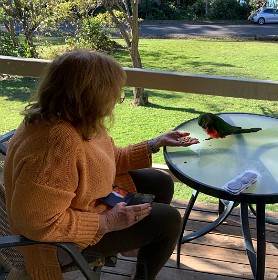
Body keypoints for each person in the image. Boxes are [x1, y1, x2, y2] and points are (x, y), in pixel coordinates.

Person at [3, 50, 199, 280]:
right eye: (113, 93)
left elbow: (104, 160)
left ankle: (137, 241)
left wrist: (153, 145)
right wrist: (106, 222)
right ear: (90, 96)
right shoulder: (56, 147)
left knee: (160, 181)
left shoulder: (70, 117)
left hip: (82, 204)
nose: (115, 99)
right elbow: (37, 224)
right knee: (168, 221)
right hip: (56, 243)